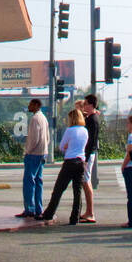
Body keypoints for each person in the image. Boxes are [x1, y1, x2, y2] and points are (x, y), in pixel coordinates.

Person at [40, 109, 88, 224]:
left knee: (58, 189)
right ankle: (75, 217)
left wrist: (67, 146)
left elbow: (61, 146)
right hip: (81, 162)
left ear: (72, 119)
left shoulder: (70, 130)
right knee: (77, 191)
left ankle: (49, 213)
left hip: (69, 162)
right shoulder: (85, 131)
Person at [17, 98, 49, 219]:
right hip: (42, 153)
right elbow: (47, 137)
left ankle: (29, 208)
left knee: (29, 182)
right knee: (38, 181)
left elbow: (34, 138)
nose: (29, 106)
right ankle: (38, 208)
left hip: (34, 154)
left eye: (30, 104)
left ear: (36, 105)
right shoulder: (43, 118)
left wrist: (28, 151)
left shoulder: (35, 119)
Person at [78, 94, 101, 223]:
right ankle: (88, 211)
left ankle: (90, 212)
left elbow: (90, 140)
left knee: (86, 182)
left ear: (91, 105)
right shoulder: (93, 117)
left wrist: (85, 158)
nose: (84, 106)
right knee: (86, 181)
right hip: (90, 153)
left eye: (86, 104)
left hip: (88, 154)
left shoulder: (92, 119)